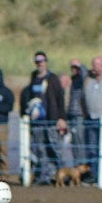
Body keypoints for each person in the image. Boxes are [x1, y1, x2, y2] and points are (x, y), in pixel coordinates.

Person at [25, 52, 67, 180]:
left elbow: (60, 99)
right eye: (37, 61)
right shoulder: (33, 78)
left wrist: (61, 118)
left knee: (55, 148)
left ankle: (62, 175)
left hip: (51, 119)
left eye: (42, 61)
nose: (40, 64)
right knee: (40, 149)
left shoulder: (52, 78)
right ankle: (44, 176)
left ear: (46, 62)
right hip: (37, 120)